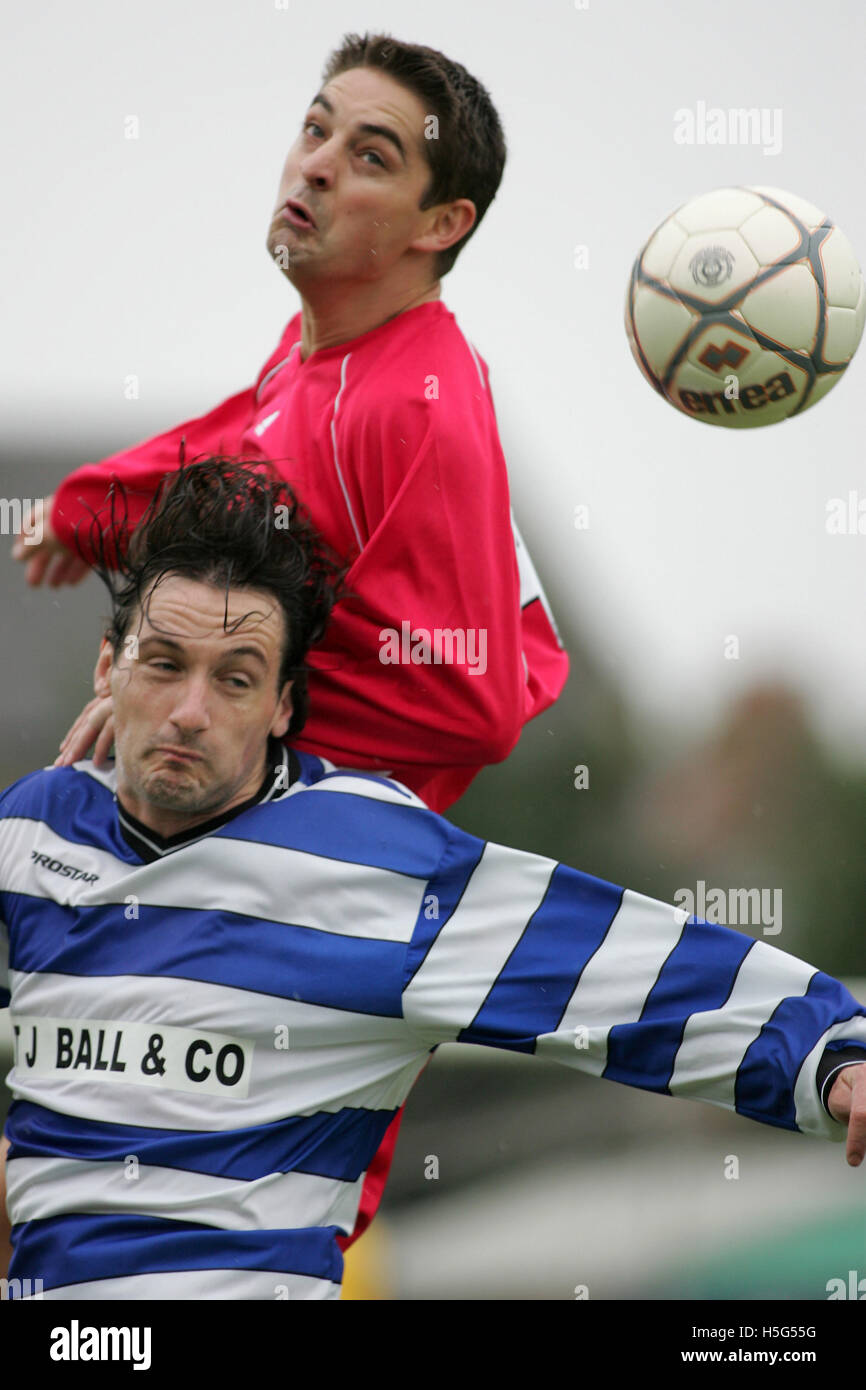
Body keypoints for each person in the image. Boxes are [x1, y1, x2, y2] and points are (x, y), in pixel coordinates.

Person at [1, 459, 864, 1301]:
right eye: (163, 664)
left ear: (283, 709)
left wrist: (834, 1049)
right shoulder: (30, 831)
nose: (190, 710)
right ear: (107, 668)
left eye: (234, 679)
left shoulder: (374, 864)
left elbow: (631, 971)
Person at [10, 30, 568, 813]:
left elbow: (472, 704)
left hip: (327, 882)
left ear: (440, 225)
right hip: (273, 835)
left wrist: (195, 707)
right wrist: (87, 510)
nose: (317, 164)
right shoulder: (320, 353)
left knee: (43, 832)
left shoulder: (417, 404)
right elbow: (241, 454)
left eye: (370, 156)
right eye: (316, 129)